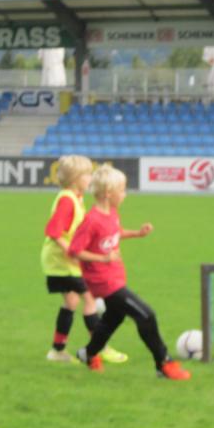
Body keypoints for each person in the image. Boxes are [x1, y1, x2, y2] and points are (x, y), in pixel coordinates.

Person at [68, 165, 191, 380]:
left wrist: (137, 233)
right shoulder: (92, 220)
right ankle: (164, 363)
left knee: (112, 319)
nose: (125, 194)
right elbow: (74, 251)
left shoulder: (111, 213)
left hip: (115, 276)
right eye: (122, 190)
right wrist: (103, 259)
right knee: (146, 315)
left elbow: (114, 234)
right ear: (108, 193)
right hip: (102, 281)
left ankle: (88, 354)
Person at [41, 155, 127, 365]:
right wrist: (72, 252)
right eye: (87, 174)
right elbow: (53, 231)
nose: (90, 178)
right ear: (75, 178)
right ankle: (100, 348)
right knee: (89, 300)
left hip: (60, 261)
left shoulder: (75, 198)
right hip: (61, 262)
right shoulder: (67, 200)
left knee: (71, 302)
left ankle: (57, 351)